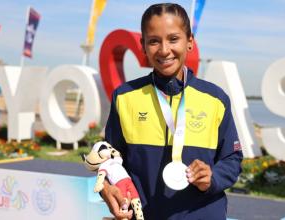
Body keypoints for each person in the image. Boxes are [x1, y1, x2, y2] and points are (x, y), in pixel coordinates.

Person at [101, 3, 243, 219]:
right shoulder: (124, 96)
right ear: (143, 46)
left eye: (173, 39)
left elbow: (232, 159)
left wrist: (212, 177)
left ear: (190, 42)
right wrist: (106, 187)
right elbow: (110, 159)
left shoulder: (215, 99)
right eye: (154, 41)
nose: (164, 50)